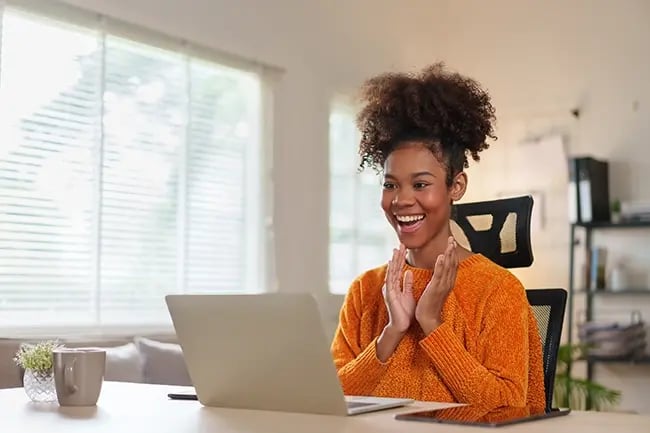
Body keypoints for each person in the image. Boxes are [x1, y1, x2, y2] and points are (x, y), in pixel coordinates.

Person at [330, 62, 546, 414]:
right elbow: (329, 402)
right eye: (390, 185)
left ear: (455, 186)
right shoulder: (365, 292)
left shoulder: (498, 291)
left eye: (420, 184)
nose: (401, 200)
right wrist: (393, 332)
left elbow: (507, 409)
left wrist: (432, 323)